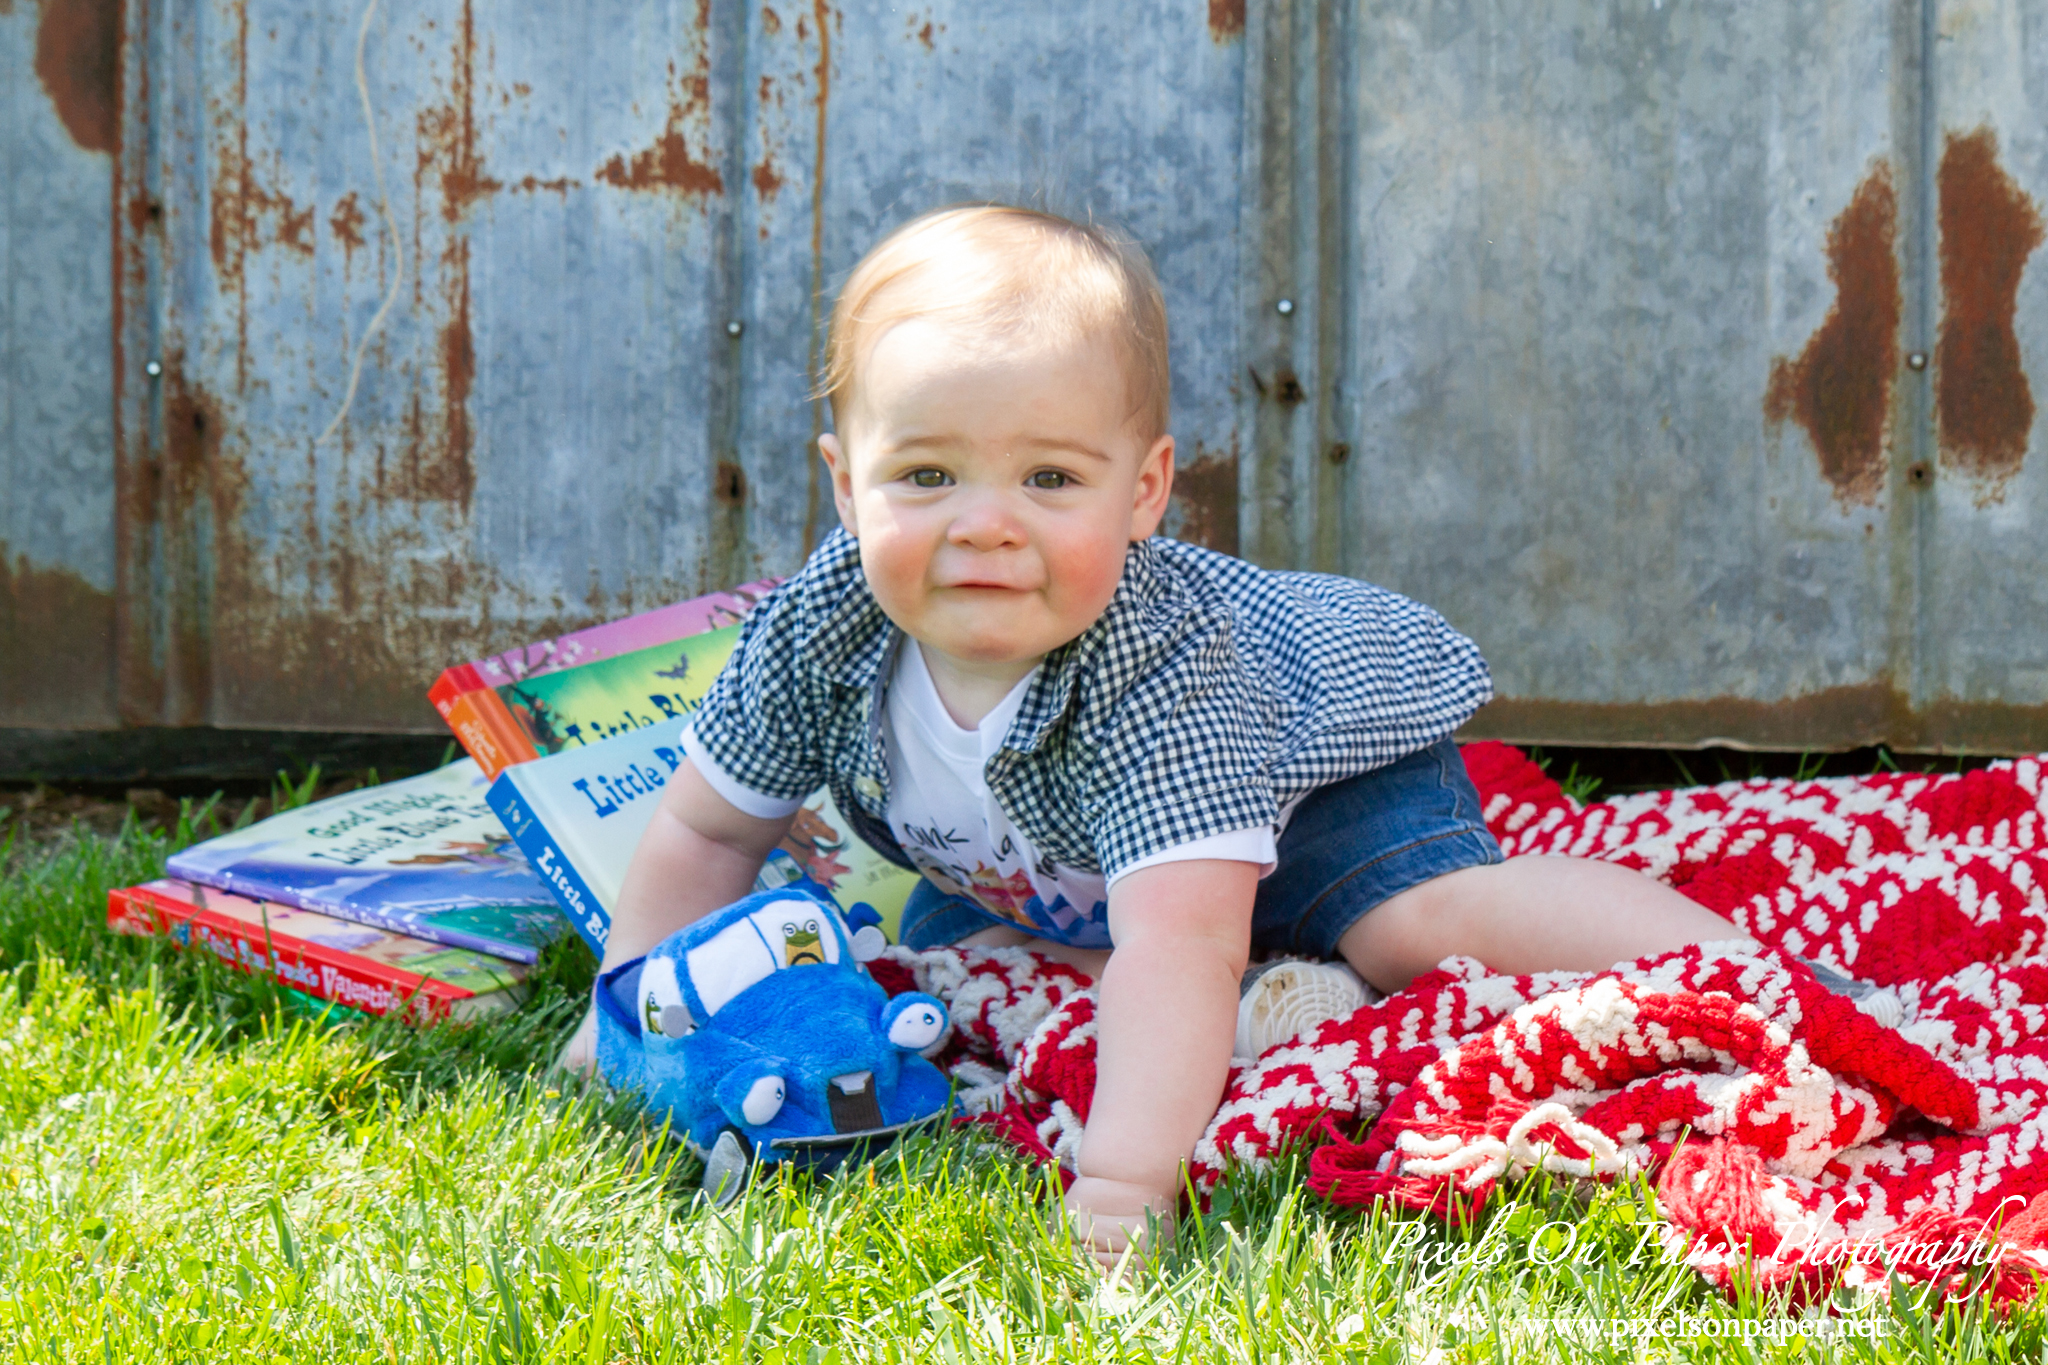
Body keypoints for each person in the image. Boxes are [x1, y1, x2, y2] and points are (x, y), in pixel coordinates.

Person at [558, 204, 1749, 1268]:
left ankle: (1737, 976)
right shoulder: (820, 630)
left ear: (1143, 490)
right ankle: (1274, 998)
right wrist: (622, 1013)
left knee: (1406, 929)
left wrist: (1124, 1183)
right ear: (843, 485)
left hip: (1315, 790)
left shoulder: (1158, 668)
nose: (985, 527)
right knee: (957, 964)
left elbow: (1177, 943)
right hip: (1053, 870)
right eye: (924, 474)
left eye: (1048, 479)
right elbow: (707, 831)